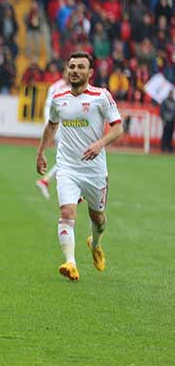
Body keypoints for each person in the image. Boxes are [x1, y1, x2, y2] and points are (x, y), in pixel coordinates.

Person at [36, 52, 123, 281]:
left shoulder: (101, 96)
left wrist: (100, 144)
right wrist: (41, 152)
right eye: (72, 66)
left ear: (90, 72)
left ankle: (95, 243)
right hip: (67, 167)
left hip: (94, 170)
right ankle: (70, 262)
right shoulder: (59, 97)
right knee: (67, 212)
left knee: (98, 218)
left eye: (80, 67)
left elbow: (117, 128)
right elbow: (51, 126)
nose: (75, 70)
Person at [35, 67, 69, 199]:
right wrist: (50, 129)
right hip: (59, 127)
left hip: (64, 126)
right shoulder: (57, 88)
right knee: (69, 156)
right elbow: (49, 108)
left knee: (68, 157)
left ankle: (46, 181)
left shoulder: (71, 88)